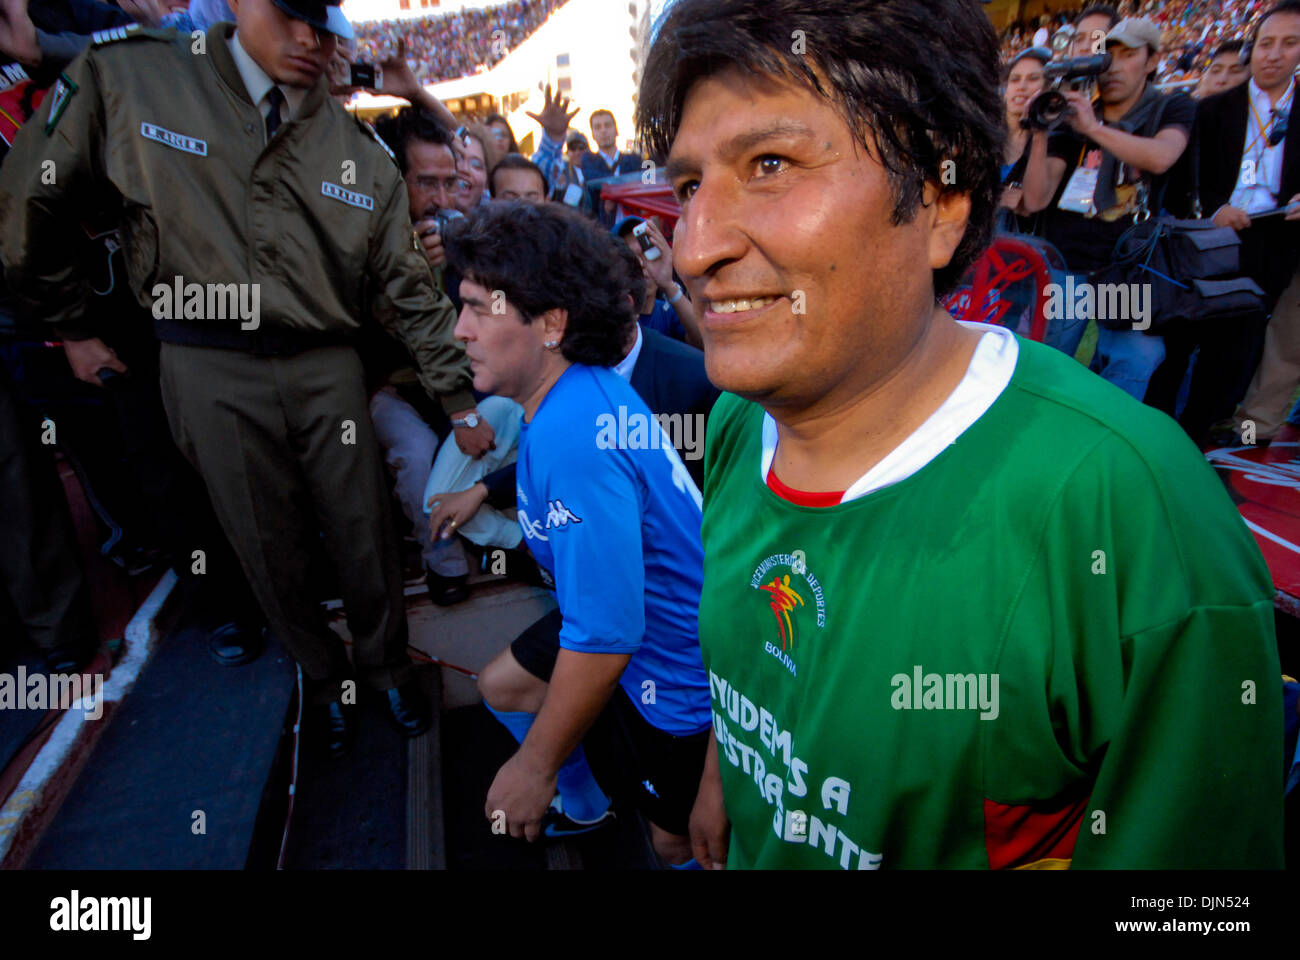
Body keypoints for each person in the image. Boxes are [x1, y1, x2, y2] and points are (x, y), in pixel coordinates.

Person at [639, 0, 1282, 870]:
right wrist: (727, 772)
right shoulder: (735, 421)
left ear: (942, 204)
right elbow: (759, 662)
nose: (694, 246)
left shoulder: (1130, 508)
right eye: (688, 186)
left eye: (770, 163)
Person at [0, 0, 478, 755]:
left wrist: (457, 397)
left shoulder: (350, 147)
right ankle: (321, 677)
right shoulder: (136, 78)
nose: (308, 40)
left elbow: (408, 287)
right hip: (205, 357)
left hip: (327, 360)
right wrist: (71, 324)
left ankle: (384, 670)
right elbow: (30, 201)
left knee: (365, 533)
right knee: (265, 540)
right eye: (290, 14)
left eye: (321, 25)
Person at [445, 201, 712, 866]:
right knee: (503, 682)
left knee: (675, 839)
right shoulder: (577, 395)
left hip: (676, 683)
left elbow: (607, 633)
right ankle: (593, 800)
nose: (459, 331)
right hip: (642, 655)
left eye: (481, 308)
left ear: (551, 323)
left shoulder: (573, 434)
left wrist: (534, 767)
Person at [1022, 17, 1194, 394]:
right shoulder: (1073, 114)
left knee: (1136, 360)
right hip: (1068, 261)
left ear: (1152, 61)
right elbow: (1035, 199)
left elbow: (1162, 157)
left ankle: (1103, 433)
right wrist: (1040, 131)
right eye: (1106, 56)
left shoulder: (1170, 107)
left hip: (1128, 266)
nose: (1113, 66)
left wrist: (1095, 130)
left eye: (1128, 55)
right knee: (1047, 363)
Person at [370, 108, 496, 604]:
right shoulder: (364, 233)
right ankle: (445, 566)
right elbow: (391, 327)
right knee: (417, 456)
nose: (441, 199)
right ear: (395, 179)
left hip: (466, 383)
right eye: (426, 183)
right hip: (394, 387)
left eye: (450, 182)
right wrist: (414, 272)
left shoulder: (466, 232)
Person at [1164, 0, 1300, 444]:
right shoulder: (1211, 109)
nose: (1274, 54)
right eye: (1265, 43)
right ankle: (1159, 428)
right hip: (1210, 240)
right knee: (1179, 340)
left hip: (1274, 240)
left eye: (1289, 43)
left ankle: (1200, 437)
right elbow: (1180, 184)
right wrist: (1211, 210)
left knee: (1234, 350)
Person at [613, 215, 701, 347]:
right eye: (631, 257)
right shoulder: (609, 317)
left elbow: (704, 343)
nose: (642, 264)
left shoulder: (667, 311)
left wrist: (669, 285)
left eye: (647, 254)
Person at [999, 46, 1049, 226]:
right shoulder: (983, 134)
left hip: (1018, 246)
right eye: (1015, 80)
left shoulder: (1054, 139)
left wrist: (1038, 132)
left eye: (1033, 79)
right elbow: (950, 184)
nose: (1022, 86)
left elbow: (1033, 203)